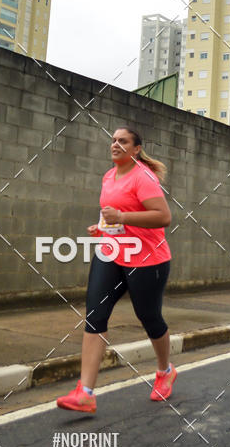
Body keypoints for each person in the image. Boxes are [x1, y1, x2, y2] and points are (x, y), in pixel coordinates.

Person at [57, 127, 176, 413]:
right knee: (95, 315)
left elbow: (163, 217)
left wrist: (122, 216)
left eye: (123, 141)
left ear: (136, 149)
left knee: (149, 317)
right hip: (111, 252)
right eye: (113, 140)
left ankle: (165, 371)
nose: (115, 144)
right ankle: (85, 393)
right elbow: (111, 213)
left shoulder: (143, 177)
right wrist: (102, 227)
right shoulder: (109, 176)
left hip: (147, 258)